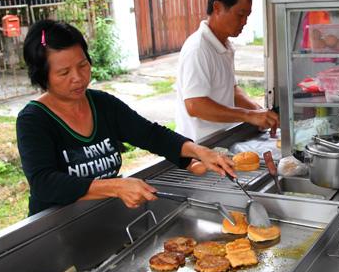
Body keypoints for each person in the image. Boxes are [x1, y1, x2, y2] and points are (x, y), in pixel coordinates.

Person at [16, 20, 236, 216]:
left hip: (98, 219)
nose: (78, 78)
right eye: (64, 73)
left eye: (83, 65)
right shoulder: (34, 120)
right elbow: (44, 183)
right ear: (42, 76)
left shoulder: (103, 104)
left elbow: (150, 134)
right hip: (52, 228)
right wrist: (116, 187)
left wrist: (197, 152)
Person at [175, 0, 280, 142]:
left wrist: (258, 112)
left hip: (222, 139)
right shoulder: (198, 48)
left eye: (247, 16)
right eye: (240, 14)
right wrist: (248, 115)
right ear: (217, 8)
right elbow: (195, 105)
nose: (244, 22)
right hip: (200, 146)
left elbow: (232, 90)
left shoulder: (225, 46)